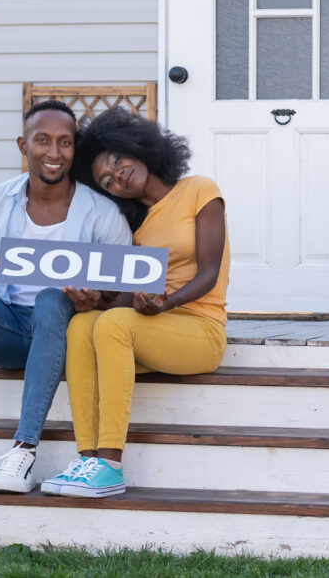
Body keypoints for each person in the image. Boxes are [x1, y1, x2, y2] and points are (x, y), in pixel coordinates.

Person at [0, 100, 131, 494]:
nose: (54, 153)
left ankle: (24, 451)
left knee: (52, 298)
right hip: (10, 327)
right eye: (42, 141)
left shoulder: (102, 213)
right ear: (22, 145)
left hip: (65, 332)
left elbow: (125, 301)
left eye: (64, 143)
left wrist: (93, 301)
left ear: (74, 149)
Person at [40, 107, 230, 497]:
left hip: (202, 329)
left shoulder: (200, 190)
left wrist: (167, 302)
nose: (117, 176)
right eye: (106, 181)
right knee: (82, 324)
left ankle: (110, 465)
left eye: (116, 160)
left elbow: (209, 272)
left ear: (134, 146)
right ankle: (87, 458)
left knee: (113, 325)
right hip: (156, 328)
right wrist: (93, 299)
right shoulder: (134, 229)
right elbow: (128, 297)